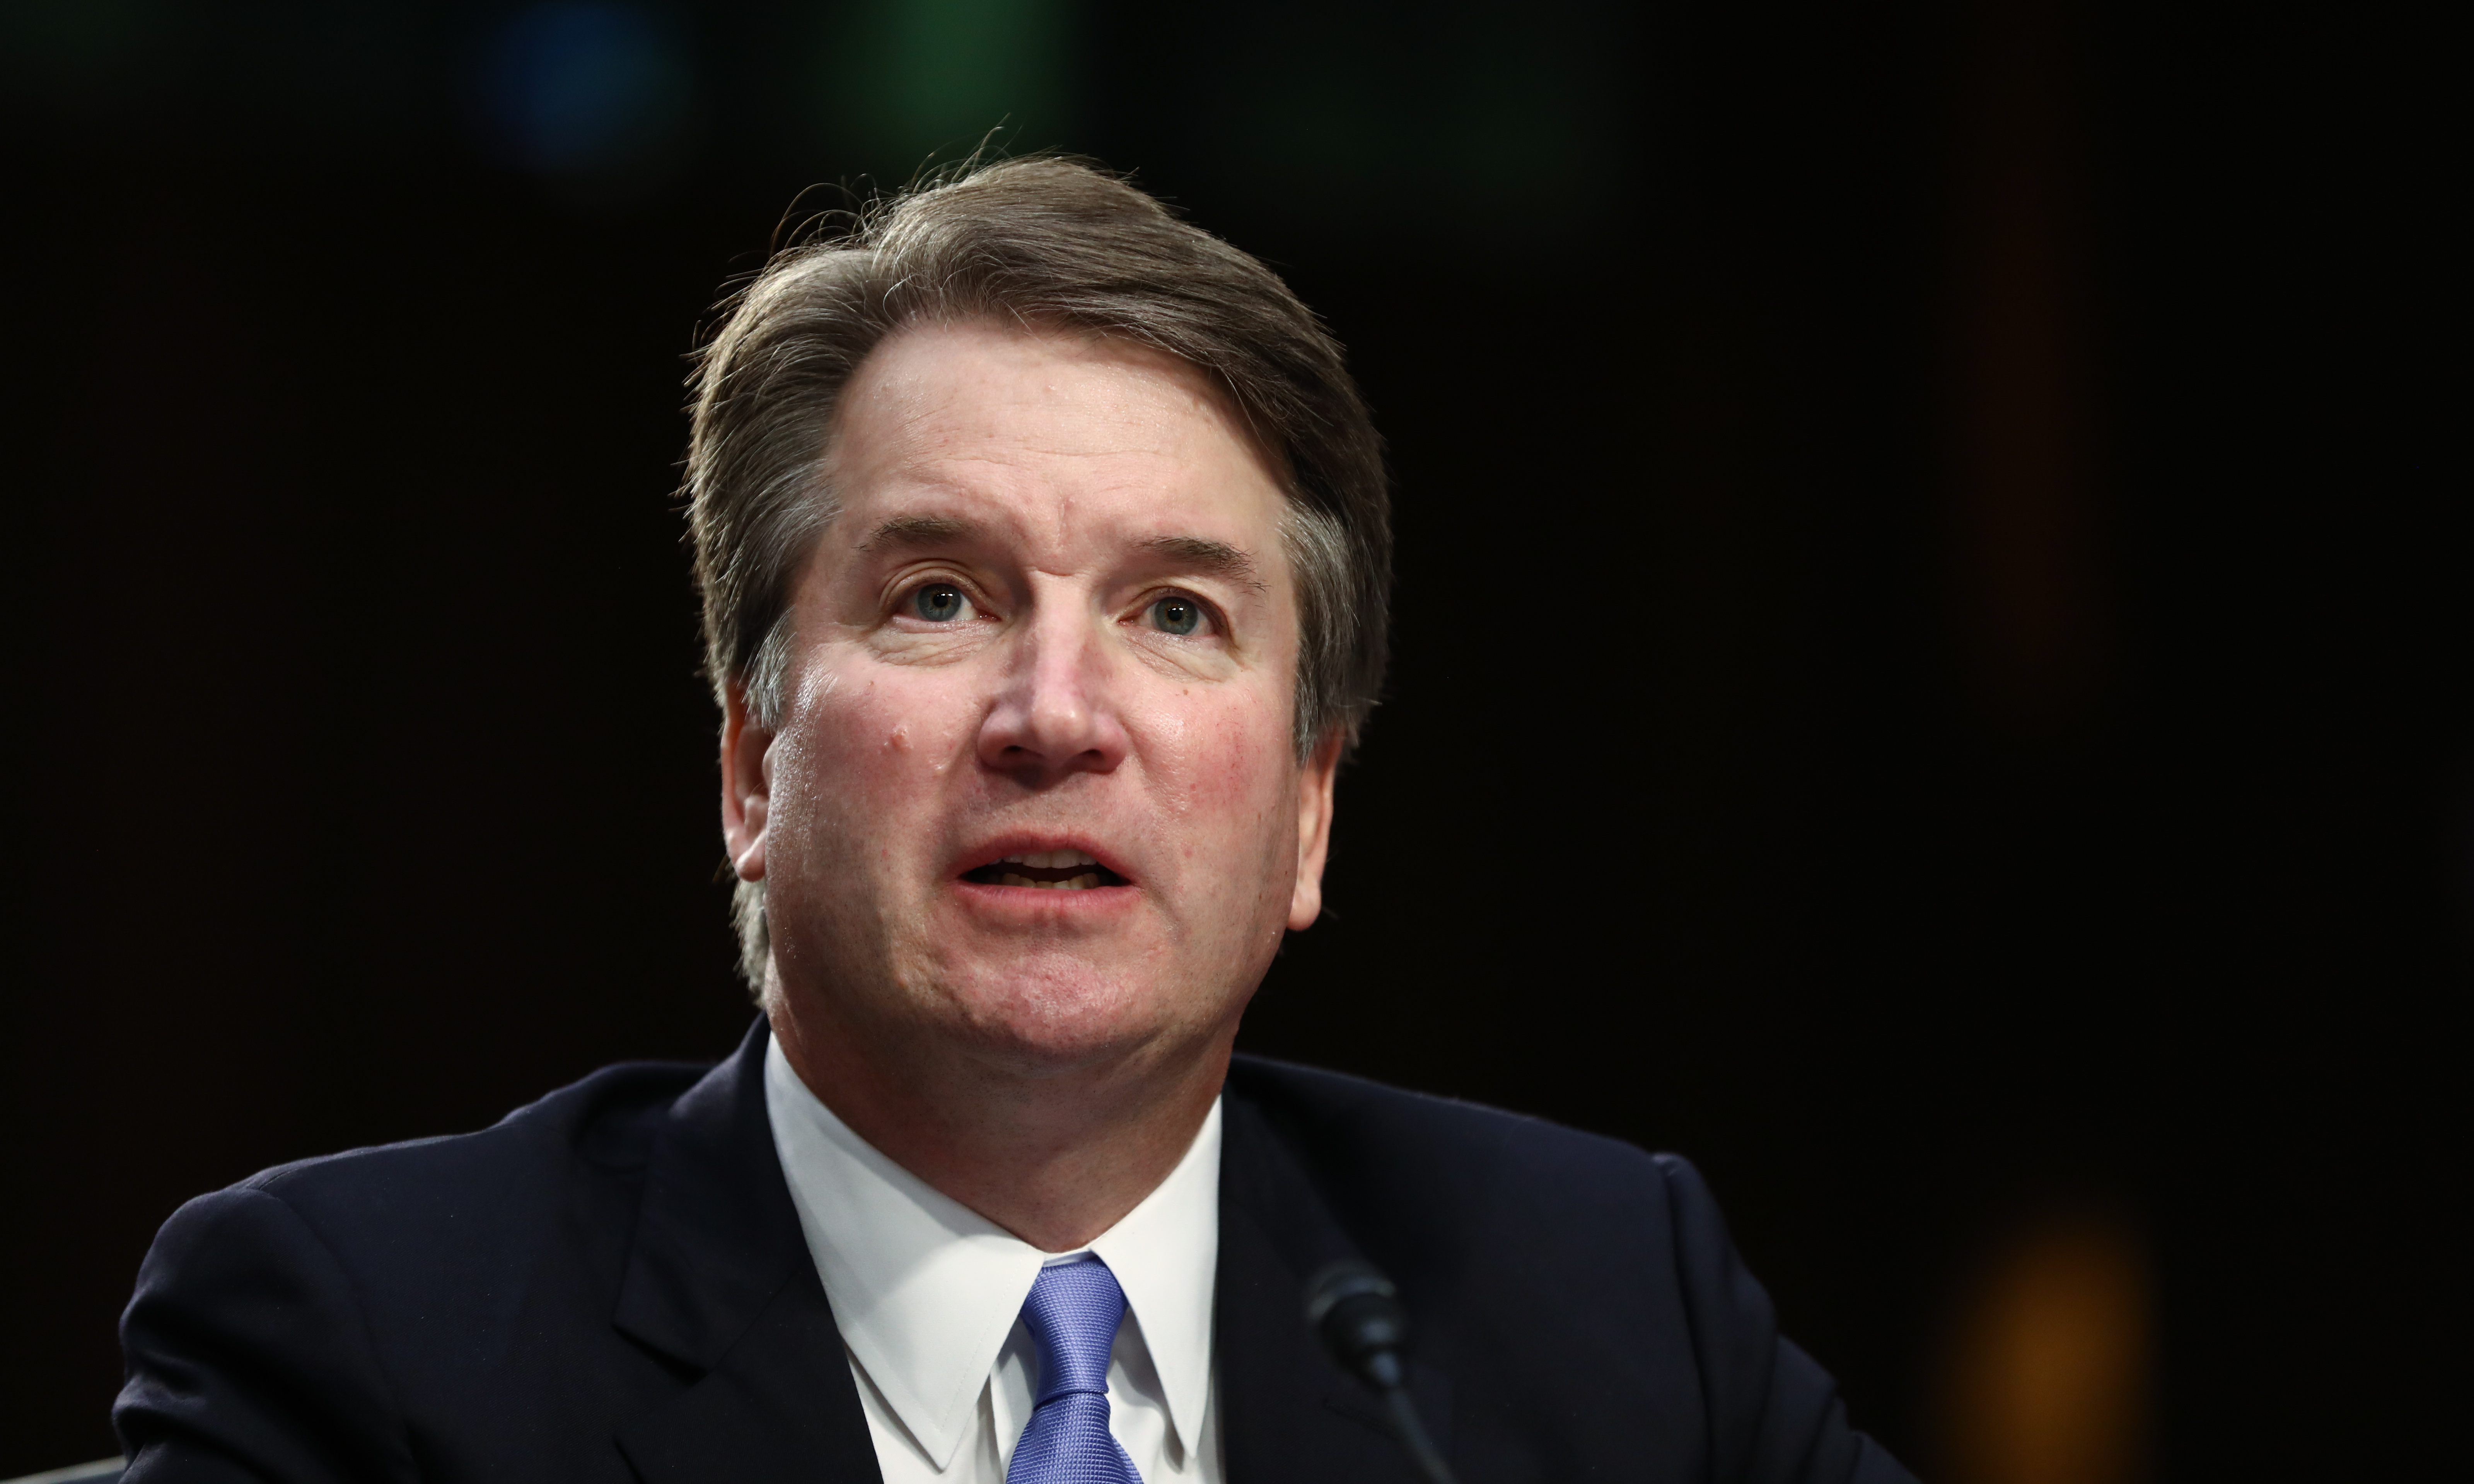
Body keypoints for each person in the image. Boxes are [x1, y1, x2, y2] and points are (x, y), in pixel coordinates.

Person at [113, 158, 1914, 1484]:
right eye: (939, 599)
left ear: (1308, 806)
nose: (1056, 716)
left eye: (1175, 614)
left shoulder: (1601, 1306)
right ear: (751, 765)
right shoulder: (375, 1348)